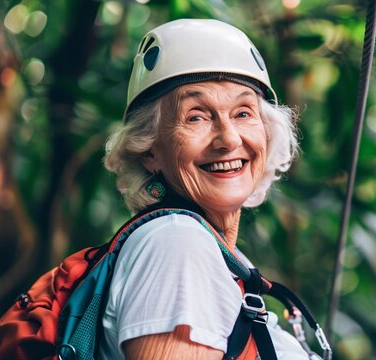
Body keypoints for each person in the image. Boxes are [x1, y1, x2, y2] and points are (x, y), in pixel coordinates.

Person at [100, 18, 311, 359]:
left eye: (243, 113)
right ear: (150, 149)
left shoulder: (223, 259)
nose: (229, 139)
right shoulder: (177, 245)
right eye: (196, 116)